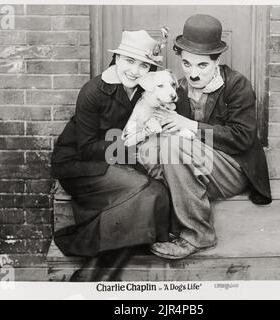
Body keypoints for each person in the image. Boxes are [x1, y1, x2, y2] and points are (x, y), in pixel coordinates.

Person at [140, 14, 272, 260]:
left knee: (174, 148)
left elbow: (243, 138)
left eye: (202, 66)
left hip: (234, 167)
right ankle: (176, 210)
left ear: (217, 60)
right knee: (149, 149)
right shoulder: (177, 88)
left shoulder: (237, 85)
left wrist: (188, 124)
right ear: (179, 57)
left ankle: (199, 234)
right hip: (194, 162)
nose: (193, 74)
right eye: (187, 64)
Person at [50, 30, 171, 281]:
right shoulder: (93, 90)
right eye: (129, 61)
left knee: (157, 193)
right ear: (116, 58)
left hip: (118, 160)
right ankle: (96, 275)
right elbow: (86, 148)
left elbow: (168, 102)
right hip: (79, 163)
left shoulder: (142, 89)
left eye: (144, 65)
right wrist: (129, 144)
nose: (135, 71)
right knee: (145, 191)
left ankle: (95, 271)